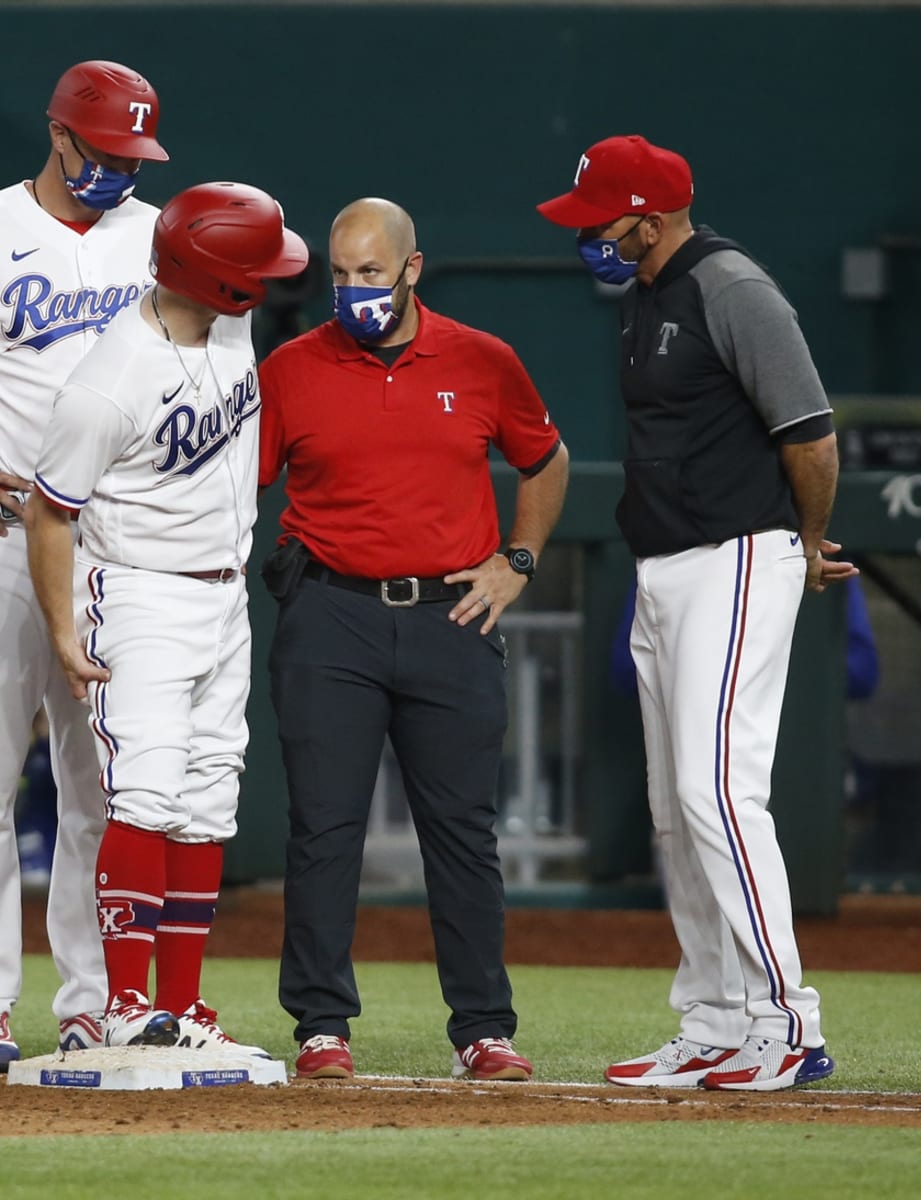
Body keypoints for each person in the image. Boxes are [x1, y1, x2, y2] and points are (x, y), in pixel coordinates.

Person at [538, 135, 855, 1091]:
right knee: (675, 810)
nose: (589, 234)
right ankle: (716, 1018)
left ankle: (787, 1022)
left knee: (720, 793)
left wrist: (802, 540)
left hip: (738, 554)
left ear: (650, 215)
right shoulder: (645, 297)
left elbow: (810, 432)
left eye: (600, 219)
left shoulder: (732, 286)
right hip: (665, 565)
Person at [258, 197, 569, 1082]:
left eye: (369, 272)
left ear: (411, 269)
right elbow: (239, 479)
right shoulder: (291, 368)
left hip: (452, 616)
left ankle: (483, 1027)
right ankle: (322, 1027)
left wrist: (518, 559)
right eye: (340, 274)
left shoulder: (481, 360)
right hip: (331, 615)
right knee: (323, 827)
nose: (353, 290)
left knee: (463, 833)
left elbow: (545, 461)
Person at [25, 181, 308, 1051]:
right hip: (140, 591)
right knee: (143, 797)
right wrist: (67, 633)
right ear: (217, 279)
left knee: (208, 799)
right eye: (256, 268)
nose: (273, 280)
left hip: (225, 596)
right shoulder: (108, 383)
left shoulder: (232, 323)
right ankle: (117, 1007)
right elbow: (49, 511)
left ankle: (177, 1011)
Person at [0, 59, 170, 1068]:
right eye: (104, 151)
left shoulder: (158, 238)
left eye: (133, 154)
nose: (118, 169)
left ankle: (89, 1001)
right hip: (10, 535)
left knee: (96, 783)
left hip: (115, 545)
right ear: (60, 136)